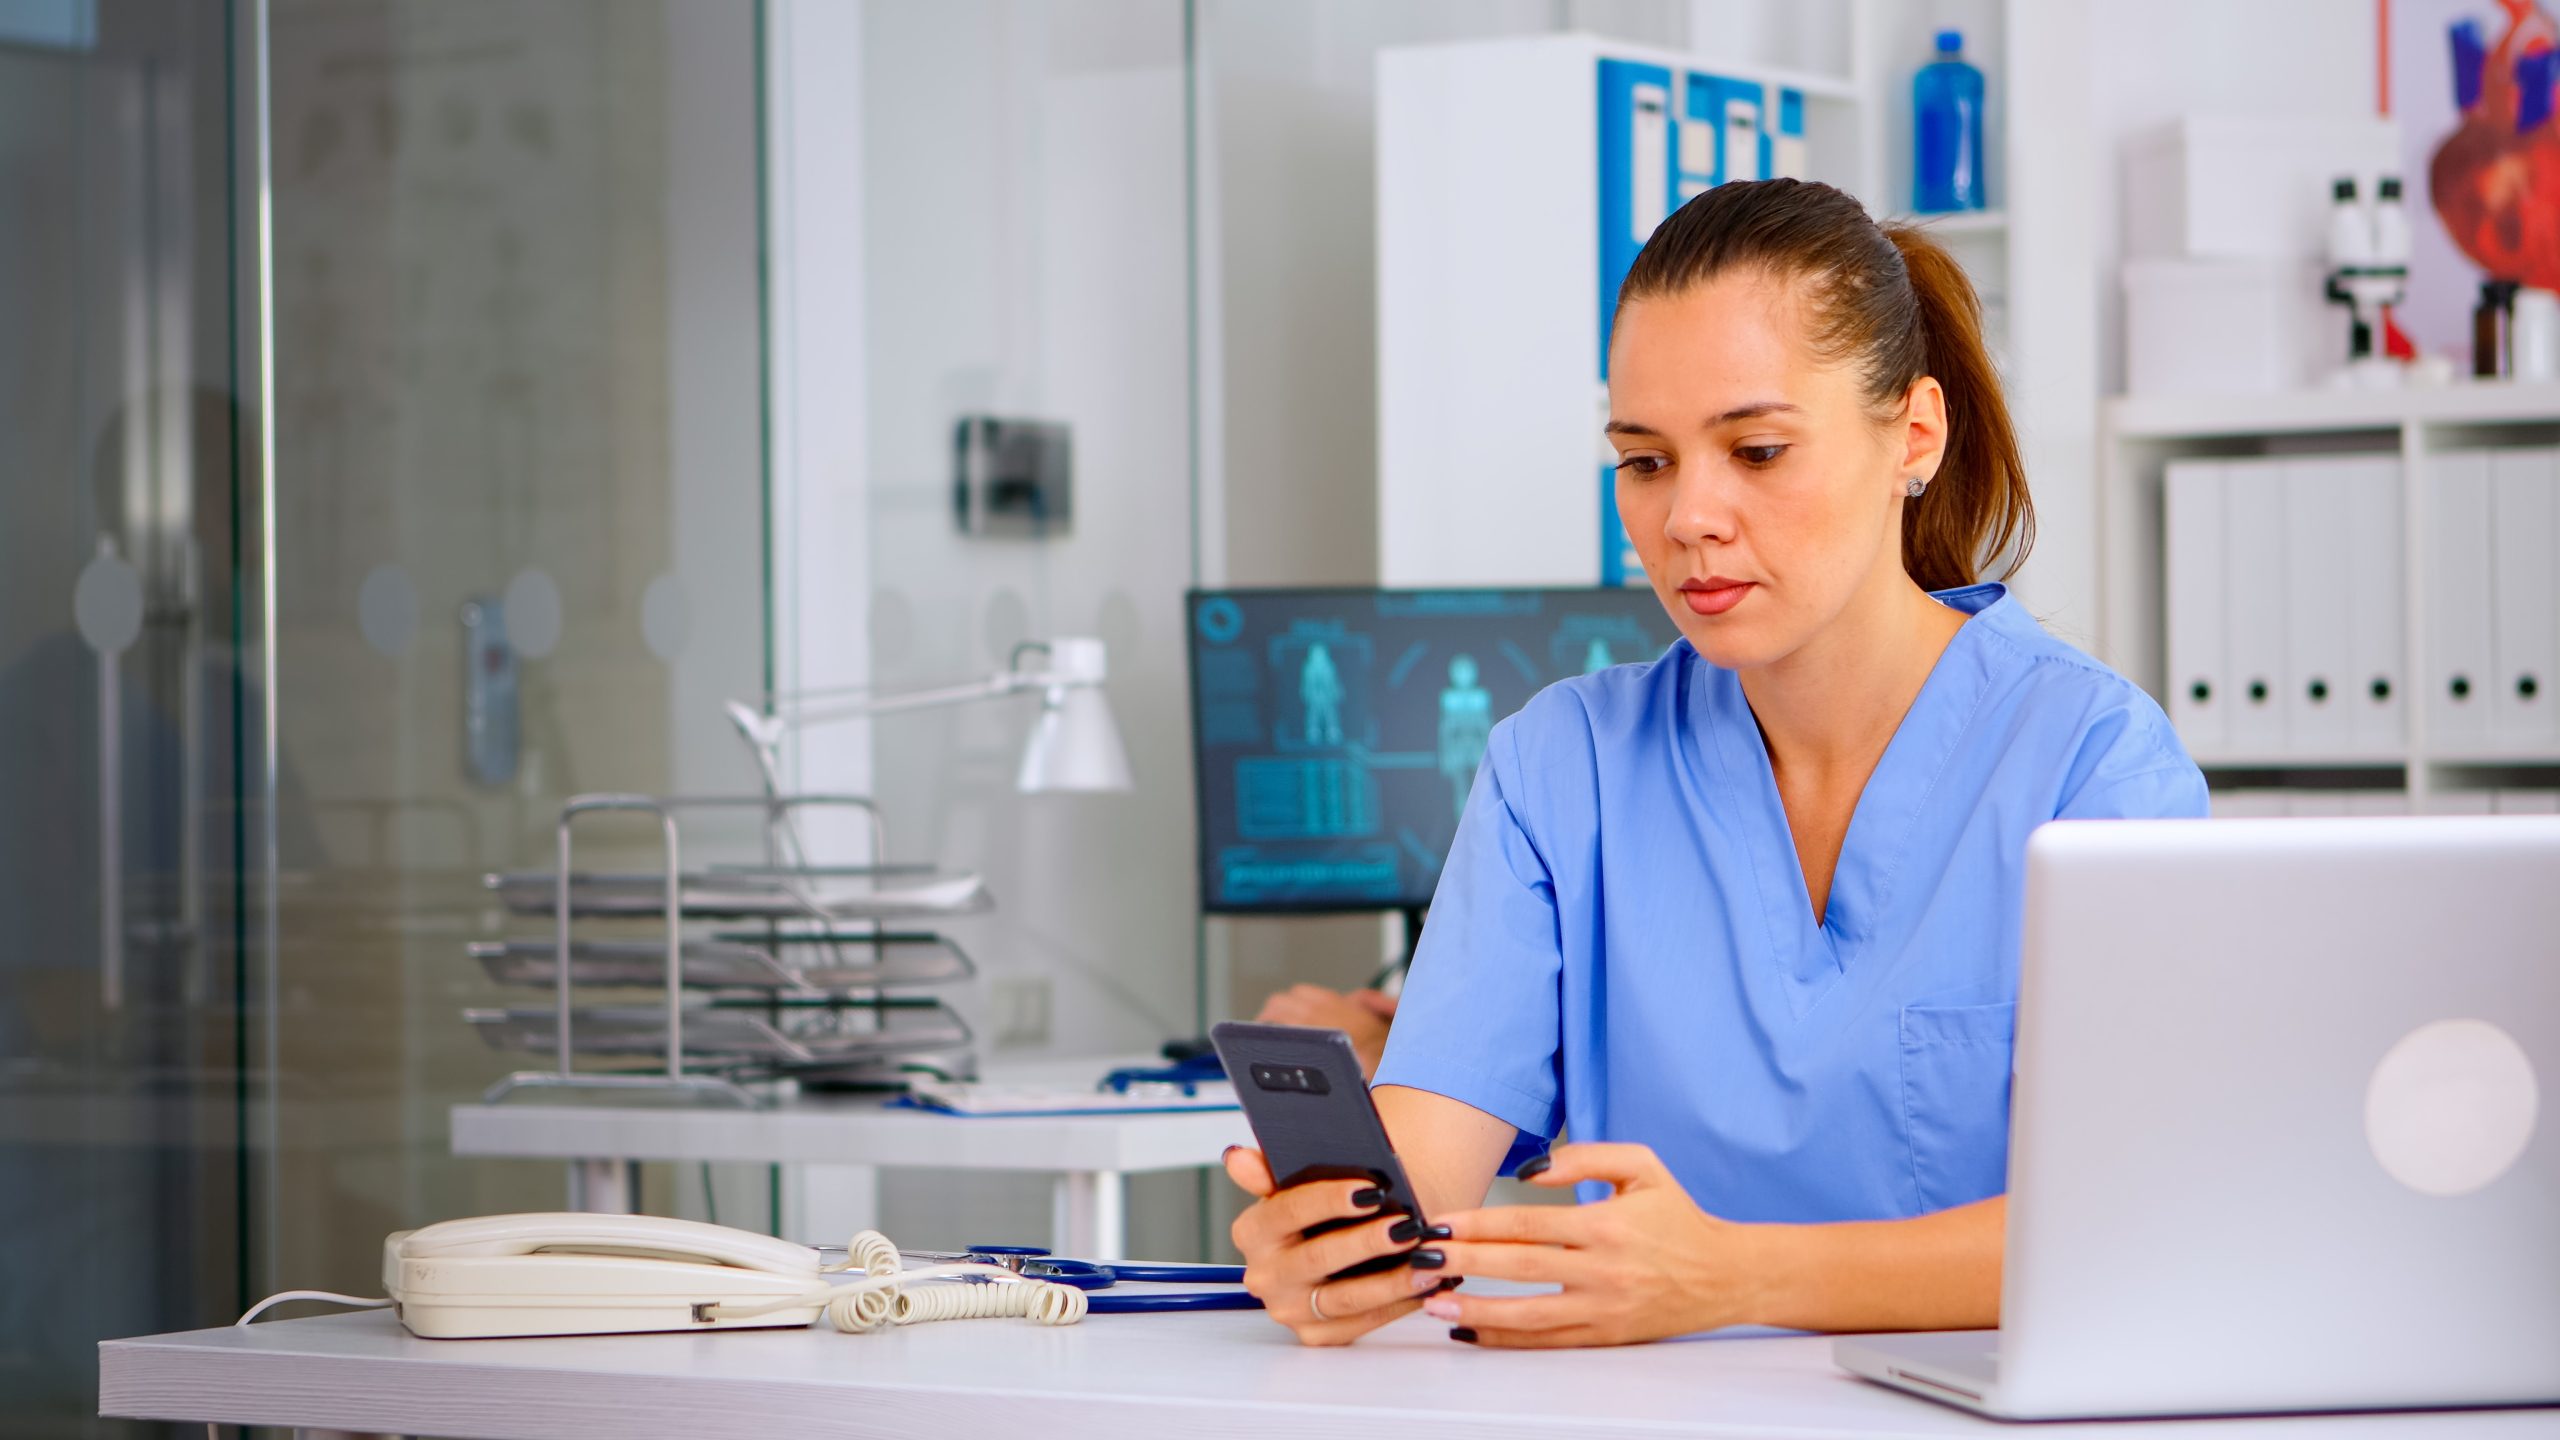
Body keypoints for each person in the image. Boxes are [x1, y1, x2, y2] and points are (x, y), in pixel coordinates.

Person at [1223, 178, 2207, 1348]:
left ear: (1915, 436)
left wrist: (1738, 1281)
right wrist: (1330, 1257)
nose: (1690, 516)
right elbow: (1421, 1179)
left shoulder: (2091, 765)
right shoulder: (1561, 768)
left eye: (1756, 449)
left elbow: (2143, 1224)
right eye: (1645, 462)